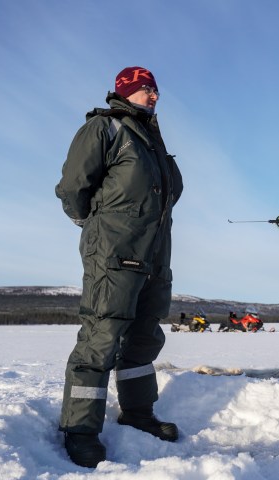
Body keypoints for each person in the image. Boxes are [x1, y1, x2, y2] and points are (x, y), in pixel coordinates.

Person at [55, 66, 183, 468]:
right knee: (101, 336)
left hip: (155, 256)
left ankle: (138, 412)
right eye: (146, 89)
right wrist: (96, 226)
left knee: (144, 337)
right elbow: (74, 188)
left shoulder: (151, 139)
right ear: (126, 91)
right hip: (114, 253)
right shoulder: (105, 129)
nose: (154, 96)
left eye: (156, 90)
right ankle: (80, 429)